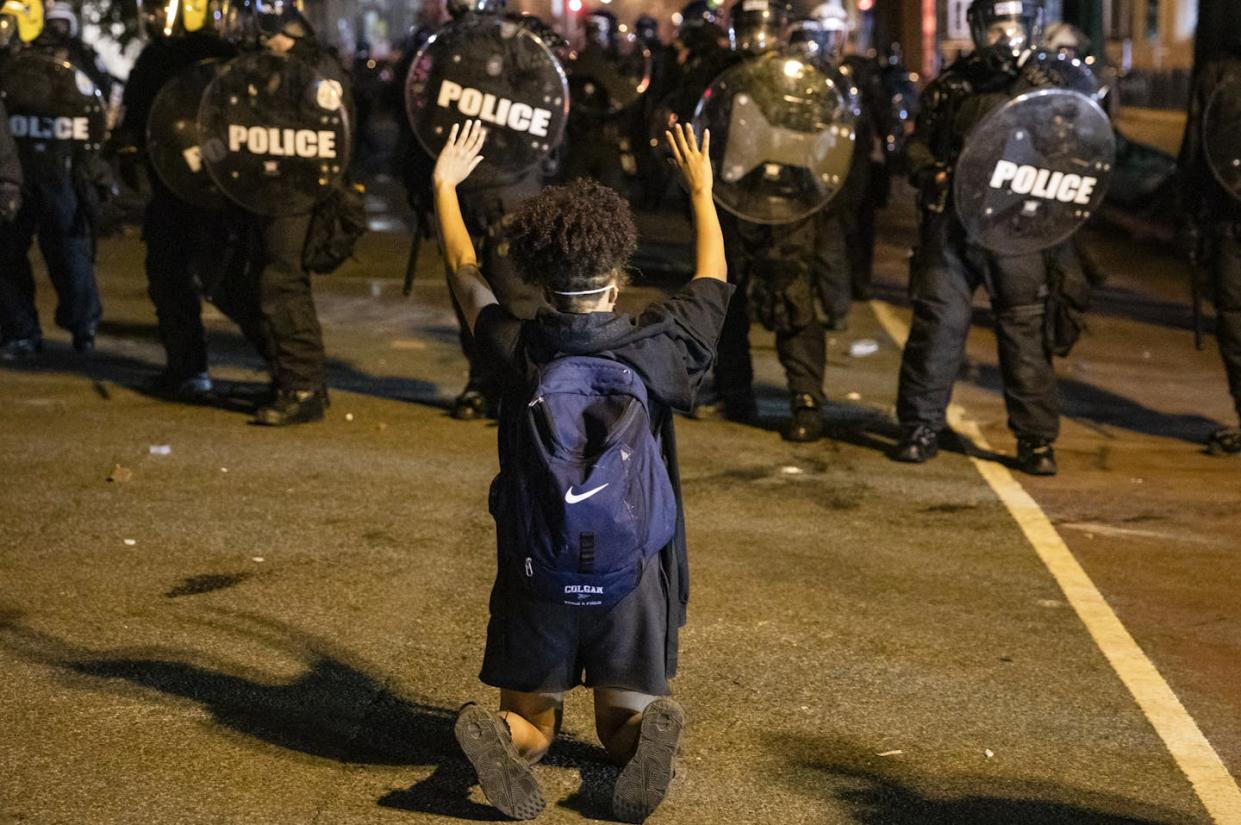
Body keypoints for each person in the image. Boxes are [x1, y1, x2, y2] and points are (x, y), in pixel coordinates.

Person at [432, 120, 730, 822]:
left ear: (539, 272)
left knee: (537, 726)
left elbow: (464, 272)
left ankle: (503, 737)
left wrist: (444, 185)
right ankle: (642, 739)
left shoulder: (518, 345)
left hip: (538, 565)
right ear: (618, 271)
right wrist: (701, 192)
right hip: (632, 573)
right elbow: (712, 279)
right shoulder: (659, 345)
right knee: (617, 730)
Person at [893, 0, 1063, 475]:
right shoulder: (954, 85)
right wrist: (933, 172)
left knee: (1024, 332)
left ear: (1031, 26)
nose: (1004, 36)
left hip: (1019, 228)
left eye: (1013, 24)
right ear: (978, 28)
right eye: (996, 25)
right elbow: (916, 145)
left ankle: (1035, 440)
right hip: (954, 226)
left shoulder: (1050, 89)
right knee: (937, 328)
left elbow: (1081, 155)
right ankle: (920, 427)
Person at [114, 0, 268, 400]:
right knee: (168, 278)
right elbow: (133, 119)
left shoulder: (229, 58)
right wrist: (129, 150)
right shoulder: (157, 57)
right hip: (172, 187)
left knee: (230, 284)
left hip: (221, 191)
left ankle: (286, 367)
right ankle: (186, 368)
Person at [242, 3, 348, 425]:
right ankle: (292, 379)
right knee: (269, 281)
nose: (269, 42)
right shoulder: (273, 67)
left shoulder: (315, 72)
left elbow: (330, 135)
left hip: (298, 195)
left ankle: (303, 386)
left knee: (283, 283)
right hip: (272, 192)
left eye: (275, 33)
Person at [0, 1, 109, 360]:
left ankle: (78, 325)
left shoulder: (72, 58)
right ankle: (25, 330)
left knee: (65, 247)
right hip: (23, 171)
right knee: (13, 251)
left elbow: (97, 104)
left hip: (56, 169)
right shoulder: (7, 61)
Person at [1179, 27, 1241, 456]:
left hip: (1224, 215)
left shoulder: (1220, 73)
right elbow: (1197, 149)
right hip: (1226, 216)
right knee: (1234, 324)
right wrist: (1190, 213)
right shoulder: (1219, 74)